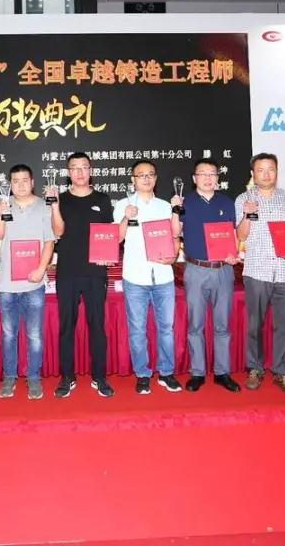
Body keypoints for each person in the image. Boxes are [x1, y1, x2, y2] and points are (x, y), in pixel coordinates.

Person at [47, 152, 116, 398]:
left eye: (84, 167)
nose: (79, 172)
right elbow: (58, 232)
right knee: (66, 326)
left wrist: (109, 254)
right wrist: (54, 206)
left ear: (91, 170)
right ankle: (67, 376)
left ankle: (99, 376)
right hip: (67, 271)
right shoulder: (61, 199)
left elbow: (109, 234)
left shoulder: (102, 199)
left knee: (97, 325)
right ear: (68, 173)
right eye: (74, 168)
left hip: (95, 272)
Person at [235, 153, 285, 396]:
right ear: (252, 174)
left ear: (276, 171)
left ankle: (282, 372)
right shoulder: (243, 198)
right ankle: (255, 369)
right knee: (255, 324)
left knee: (284, 326)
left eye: (271, 169)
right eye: (261, 170)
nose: (266, 174)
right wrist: (246, 214)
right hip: (257, 271)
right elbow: (241, 235)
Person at [171, 158, 241, 393]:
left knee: (222, 325)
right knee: (195, 325)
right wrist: (175, 210)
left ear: (218, 178)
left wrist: (233, 253)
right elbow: (174, 232)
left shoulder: (227, 202)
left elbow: (233, 235)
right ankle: (198, 372)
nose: (208, 178)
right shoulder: (185, 202)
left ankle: (222, 372)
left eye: (212, 174)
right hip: (196, 270)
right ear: (194, 178)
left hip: (223, 270)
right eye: (203, 174)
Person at [114, 160, 183, 395]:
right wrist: (126, 218)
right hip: (135, 277)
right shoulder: (123, 205)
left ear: (155, 178)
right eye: (140, 175)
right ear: (132, 179)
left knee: (166, 328)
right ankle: (142, 374)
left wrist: (173, 255)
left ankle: (166, 372)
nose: (146, 178)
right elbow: (117, 239)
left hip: (163, 276)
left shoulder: (165, 206)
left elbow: (175, 235)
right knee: (137, 330)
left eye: (150, 174)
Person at [0, 164, 55, 400]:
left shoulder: (44, 206)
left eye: (24, 180)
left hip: (34, 283)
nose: (20, 185)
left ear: (32, 182)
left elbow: (49, 241)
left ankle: (33, 377)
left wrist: (41, 269)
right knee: (8, 334)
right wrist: (1, 214)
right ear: (10, 184)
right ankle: (9, 377)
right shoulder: (3, 204)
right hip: (6, 284)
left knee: (34, 334)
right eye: (15, 181)